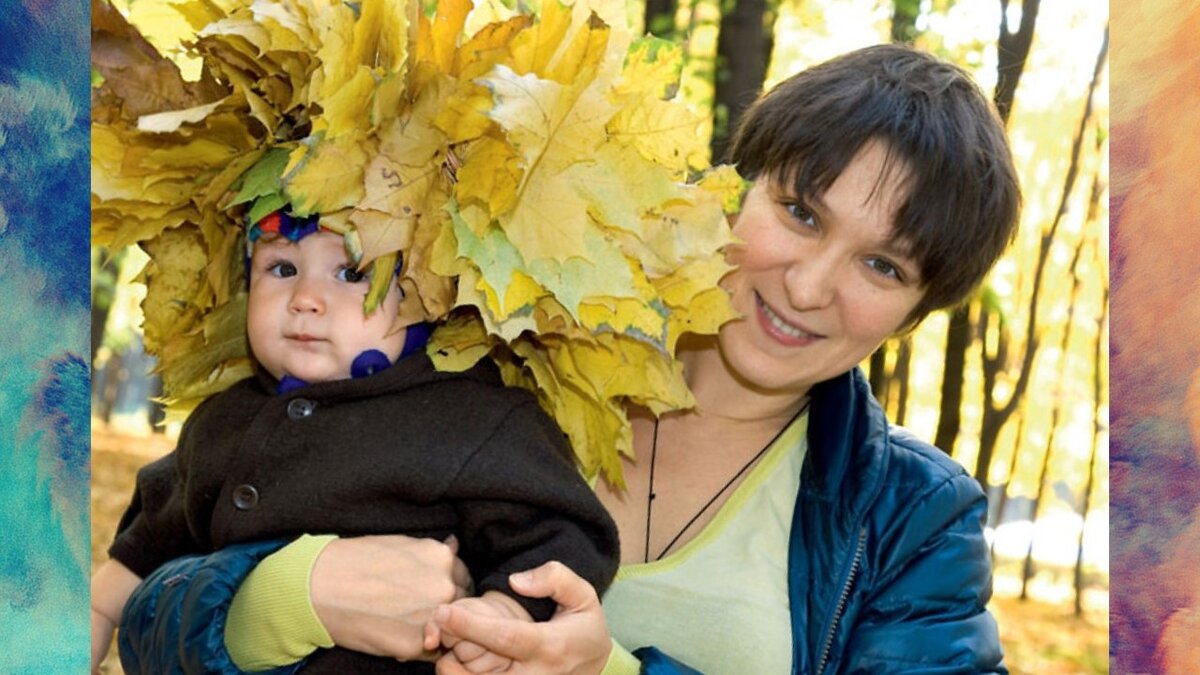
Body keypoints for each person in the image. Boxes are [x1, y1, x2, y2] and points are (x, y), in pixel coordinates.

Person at [115, 43, 1020, 674]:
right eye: (802, 212)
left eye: (882, 264)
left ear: (913, 310)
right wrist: (283, 595)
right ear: (733, 186)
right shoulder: (486, 358)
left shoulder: (912, 521)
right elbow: (151, 609)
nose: (812, 283)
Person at [90, 212, 620, 674]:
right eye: (282, 269)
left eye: (352, 273)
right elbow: (135, 561)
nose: (304, 300)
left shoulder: (474, 415)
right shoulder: (223, 421)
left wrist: (507, 610)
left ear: (428, 293)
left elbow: (561, 532)